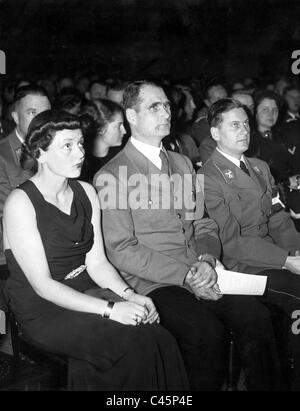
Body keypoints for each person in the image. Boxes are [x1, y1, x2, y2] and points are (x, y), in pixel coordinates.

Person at [95, 80, 283, 391]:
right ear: (131, 115)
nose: (165, 112)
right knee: (204, 332)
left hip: (199, 270)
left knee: (255, 317)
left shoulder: (182, 164)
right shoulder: (114, 174)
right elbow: (122, 249)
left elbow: (203, 225)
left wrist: (208, 258)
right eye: (154, 107)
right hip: (154, 281)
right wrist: (188, 275)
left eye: (167, 105)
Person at [3, 109, 188, 391]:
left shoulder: (86, 192)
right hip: (43, 308)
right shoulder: (21, 202)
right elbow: (43, 286)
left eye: (80, 144)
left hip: (85, 291)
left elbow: (98, 263)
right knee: (133, 344)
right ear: (40, 153)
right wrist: (111, 309)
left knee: (160, 337)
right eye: (67, 146)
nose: (79, 153)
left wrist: (131, 295)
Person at [200, 98, 300, 388]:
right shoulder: (206, 178)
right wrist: (287, 260)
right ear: (216, 134)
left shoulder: (259, 167)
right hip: (243, 267)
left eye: (245, 124)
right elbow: (231, 241)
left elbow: (279, 219)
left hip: (275, 255)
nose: (244, 130)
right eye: (234, 125)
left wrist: (297, 249)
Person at [0, 85, 51, 284]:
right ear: (15, 117)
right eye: (32, 113)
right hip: (13, 256)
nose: (41, 120)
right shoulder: (3, 155)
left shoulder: (58, 148)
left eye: (46, 113)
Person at [80, 99, 127, 182]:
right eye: (119, 125)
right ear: (101, 129)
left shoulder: (123, 157)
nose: (124, 131)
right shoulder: (81, 163)